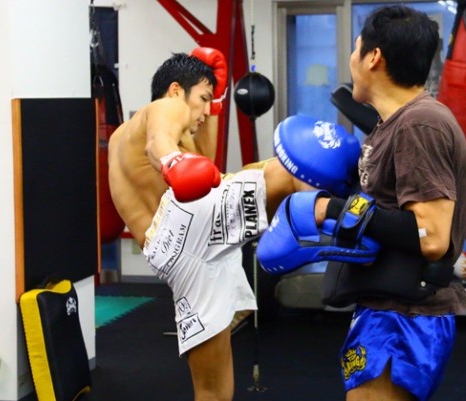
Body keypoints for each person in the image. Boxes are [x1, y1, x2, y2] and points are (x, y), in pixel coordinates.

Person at [108, 49, 362, 401]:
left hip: (173, 252)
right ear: (176, 89)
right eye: (203, 98)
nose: (203, 111)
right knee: (292, 167)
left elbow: (205, 171)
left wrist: (212, 110)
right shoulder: (167, 106)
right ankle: (358, 222)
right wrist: (172, 162)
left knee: (214, 390)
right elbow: (158, 145)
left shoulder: (121, 137)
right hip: (187, 225)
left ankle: (330, 221)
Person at [256, 5, 466, 401]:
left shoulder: (420, 124)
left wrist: (330, 210)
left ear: (374, 57)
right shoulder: (393, 124)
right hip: (386, 309)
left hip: (404, 318)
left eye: (356, 49)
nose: (351, 59)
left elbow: (431, 236)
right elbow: (385, 209)